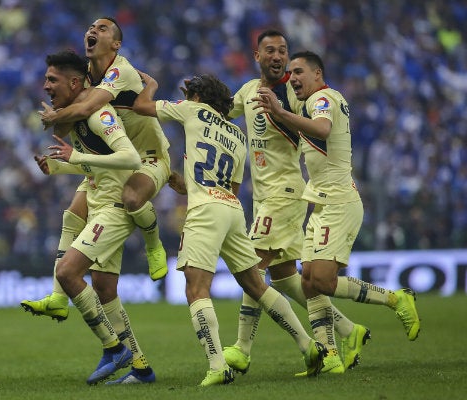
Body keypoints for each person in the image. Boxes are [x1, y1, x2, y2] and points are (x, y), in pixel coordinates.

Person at [132, 72, 327, 386]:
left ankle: (217, 364)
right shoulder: (237, 134)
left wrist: (152, 85)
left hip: (205, 211)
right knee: (256, 285)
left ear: (197, 96)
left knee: (196, 289)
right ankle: (308, 344)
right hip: (231, 210)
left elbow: (141, 106)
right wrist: (188, 186)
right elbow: (231, 187)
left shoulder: (191, 109)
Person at [255, 50, 421, 374]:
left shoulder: (324, 99)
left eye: (300, 71)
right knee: (307, 282)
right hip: (319, 202)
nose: (295, 78)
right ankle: (330, 355)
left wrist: (278, 110)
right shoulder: (310, 103)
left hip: (340, 203)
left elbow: (322, 129)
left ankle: (396, 298)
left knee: (323, 281)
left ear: (318, 74)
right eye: (292, 73)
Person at [223, 30, 369, 375]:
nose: (277, 56)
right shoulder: (246, 91)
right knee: (290, 279)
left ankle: (243, 348)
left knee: (251, 267)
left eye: (283, 51)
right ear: (256, 56)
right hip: (263, 198)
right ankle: (350, 331)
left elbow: (321, 122)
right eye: (270, 50)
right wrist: (198, 104)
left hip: (285, 193)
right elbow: (219, 112)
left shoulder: (294, 92)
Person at [31, 49, 156, 385]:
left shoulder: (100, 115)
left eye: (52, 80)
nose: (45, 86)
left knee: (68, 272)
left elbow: (130, 159)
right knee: (103, 289)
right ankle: (141, 368)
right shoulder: (75, 116)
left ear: (75, 83)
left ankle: (113, 348)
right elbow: (92, 164)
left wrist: (76, 155)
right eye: (46, 79)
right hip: (100, 202)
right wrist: (58, 166)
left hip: (115, 209)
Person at [38, 16, 171, 284]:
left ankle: (154, 245)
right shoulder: (85, 76)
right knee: (74, 213)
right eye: (90, 28)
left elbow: (86, 109)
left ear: (116, 44)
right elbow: (63, 130)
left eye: (102, 29)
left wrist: (57, 115)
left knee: (132, 197)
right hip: (116, 160)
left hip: (149, 157)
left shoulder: (120, 71)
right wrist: (61, 116)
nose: (93, 30)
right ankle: (57, 296)